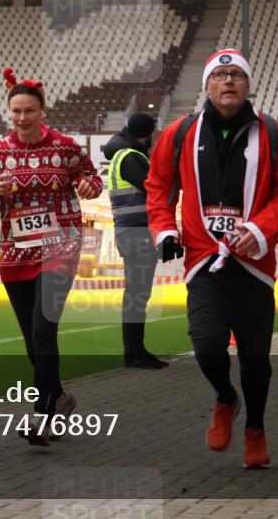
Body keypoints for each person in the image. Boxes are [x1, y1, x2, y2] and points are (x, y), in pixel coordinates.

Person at [145, 49, 278, 469]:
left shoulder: (273, 134)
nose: (229, 81)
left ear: (249, 83)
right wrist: (164, 229)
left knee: (256, 360)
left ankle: (255, 428)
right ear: (207, 86)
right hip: (204, 263)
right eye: (220, 75)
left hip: (254, 267)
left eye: (236, 74)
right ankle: (224, 397)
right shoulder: (180, 133)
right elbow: (160, 185)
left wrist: (259, 230)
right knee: (205, 345)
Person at [0, 67, 102, 445]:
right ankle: (59, 396)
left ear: (42, 110)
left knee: (45, 330)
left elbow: (93, 179)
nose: (23, 118)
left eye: (30, 110)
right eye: (17, 112)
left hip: (60, 246)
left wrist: (85, 186)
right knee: (33, 339)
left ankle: (42, 414)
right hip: (15, 254)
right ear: (9, 112)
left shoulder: (65, 147)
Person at [103, 112, 169, 369]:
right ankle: (134, 353)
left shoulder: (122, 154)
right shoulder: (132, 157)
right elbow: (156, 187)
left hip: (131, 231)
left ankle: (136, 350)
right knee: (137, 295)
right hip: (137, 232)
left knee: (138, 293)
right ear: (147, 134)